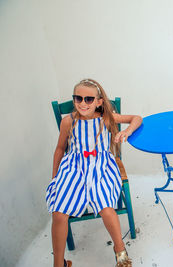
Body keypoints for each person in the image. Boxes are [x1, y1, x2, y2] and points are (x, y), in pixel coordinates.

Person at [46, 79, 142, 267]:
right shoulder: (68, 122)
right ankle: (59, 262)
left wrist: (127, 132)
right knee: (59, 212)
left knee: (106, 207)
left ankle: (120, 249)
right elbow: (59, 149)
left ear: (98, 101)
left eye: (89, 99)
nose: (83, 103)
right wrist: (55, 176)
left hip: (101, 166)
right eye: (78, 98)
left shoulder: (106, 117)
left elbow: (137, 118)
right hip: (73, 167)